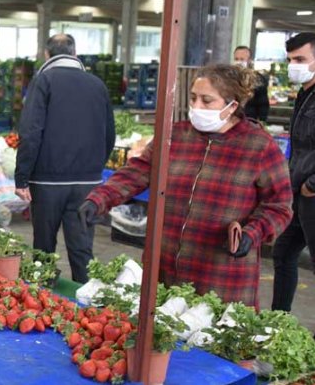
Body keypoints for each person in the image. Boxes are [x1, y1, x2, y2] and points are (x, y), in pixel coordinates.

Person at [79, 64, 293, 307]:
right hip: (165, 266)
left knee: (210, 339)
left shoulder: (259, 146)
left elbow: (279, 205)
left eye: (207, 100)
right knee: (161, 336)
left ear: (232, 106)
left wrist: (252, 234)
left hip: (221, 274)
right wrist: (99, 199)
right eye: (193, 98)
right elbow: (138, 172)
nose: (197, 107)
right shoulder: (176, 136)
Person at [14, 34, 116, 284]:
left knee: (44, 249)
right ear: (74, 53)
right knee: (82, 249)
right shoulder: (97, 84)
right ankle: (87, 307)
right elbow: (109, 134)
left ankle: (43, 301)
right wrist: (93, 169)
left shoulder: (43, 81)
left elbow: (31, 132)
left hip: (47, 183)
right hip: (87, 183)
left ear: (47, 55)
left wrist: (22, 178)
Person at [271, 32, 315, 312]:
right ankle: (277, 321)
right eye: (290, 60)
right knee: (283, 251)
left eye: (300, 59)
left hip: (311, 192)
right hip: (299, 193)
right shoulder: (305, 93)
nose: (293, 66)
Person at [233, 45, 270, 122]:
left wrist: (262, 121)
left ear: (249, 60)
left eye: (242, 59)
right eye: (236, 59)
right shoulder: (228, 77)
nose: (238, 62)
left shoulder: (258, 79)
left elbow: (263, 103)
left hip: (249, 120)